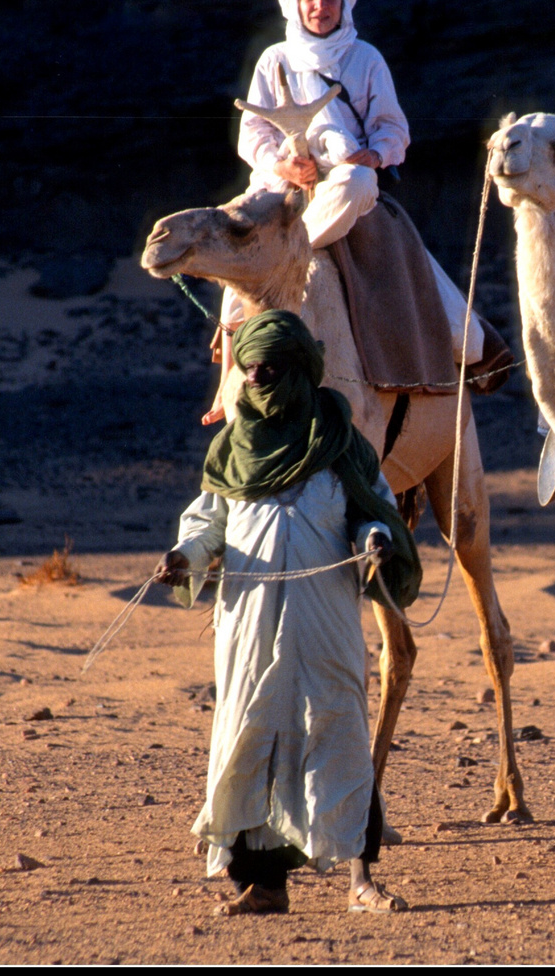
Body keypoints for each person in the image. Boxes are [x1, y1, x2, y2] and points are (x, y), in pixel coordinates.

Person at [154, 309, 419, 916]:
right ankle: (265, 885)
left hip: (323, 623)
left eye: (269, 370)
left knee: (339, 734)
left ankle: (362, 882)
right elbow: (208, 524)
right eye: (250, 371)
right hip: (248, 624)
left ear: (299, 372)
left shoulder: (343, 444)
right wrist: (184, 555)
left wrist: (375, 539)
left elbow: (371, 509)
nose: (257, 381)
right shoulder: (233, 448)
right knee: (253, 736)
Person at [204, 0, 508, 423]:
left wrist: (374, 154)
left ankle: (472, 347)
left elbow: (393, 130)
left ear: (344, 3)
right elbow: (253, 135)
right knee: (232, 239)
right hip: (282, 187)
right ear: (294, 4)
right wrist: (284, 167)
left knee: (359, 183)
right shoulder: (275, 60)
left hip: (345, 188)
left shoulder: (365, 58)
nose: (320, 7)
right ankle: (231, 368)